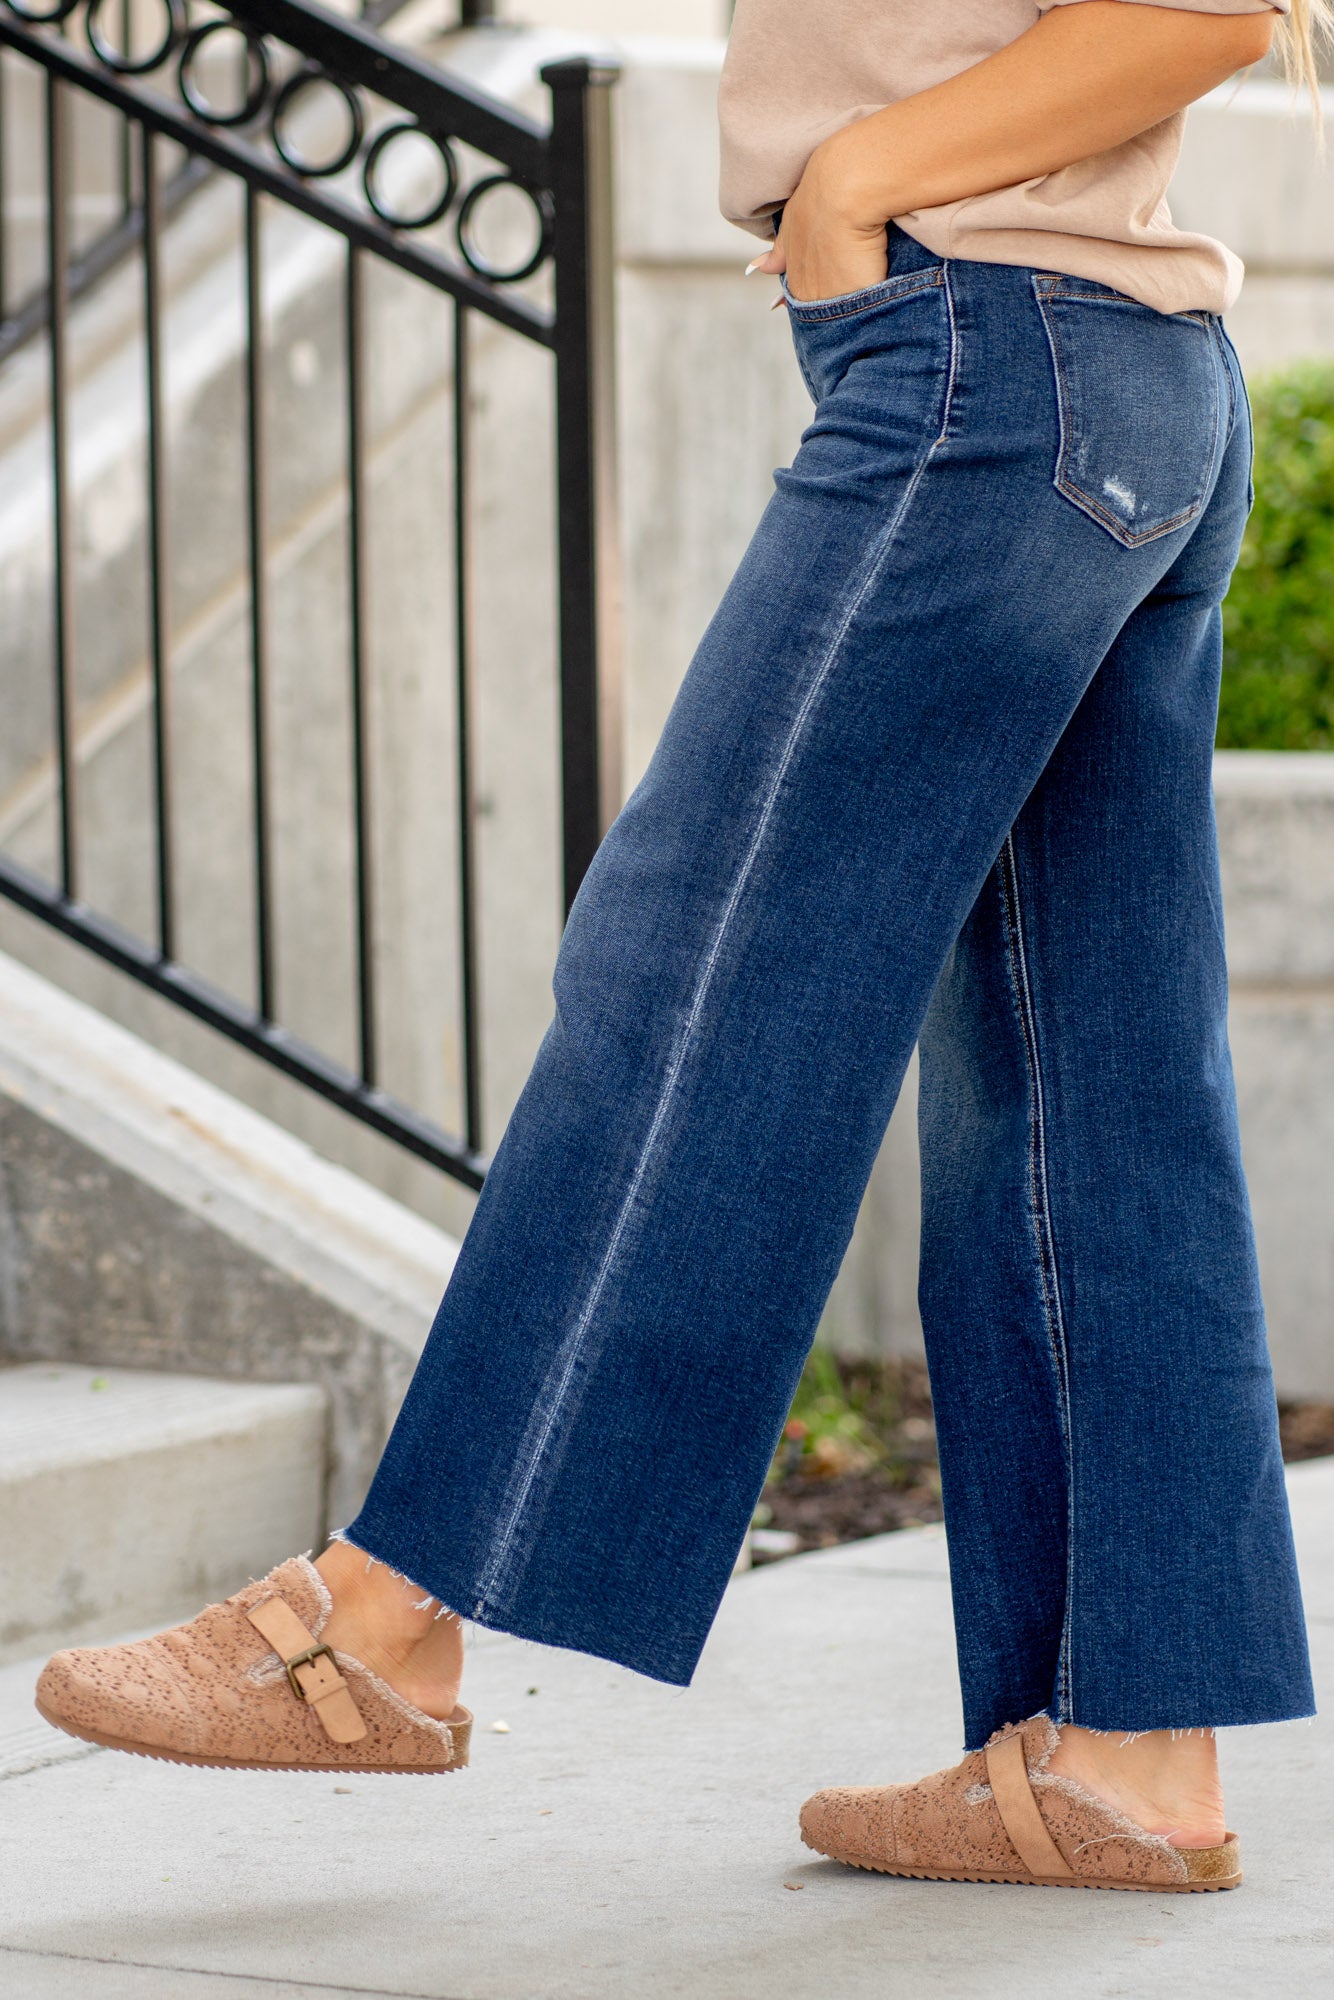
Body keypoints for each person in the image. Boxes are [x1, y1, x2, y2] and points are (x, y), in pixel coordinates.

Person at [36, 0, 1327, 1893]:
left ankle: (382, 1620)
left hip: (993, 369)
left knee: (697, 972)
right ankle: (1130, 1752)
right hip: (1109, 371)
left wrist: (859, 177)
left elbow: (1197, 9)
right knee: (1091, 1083)